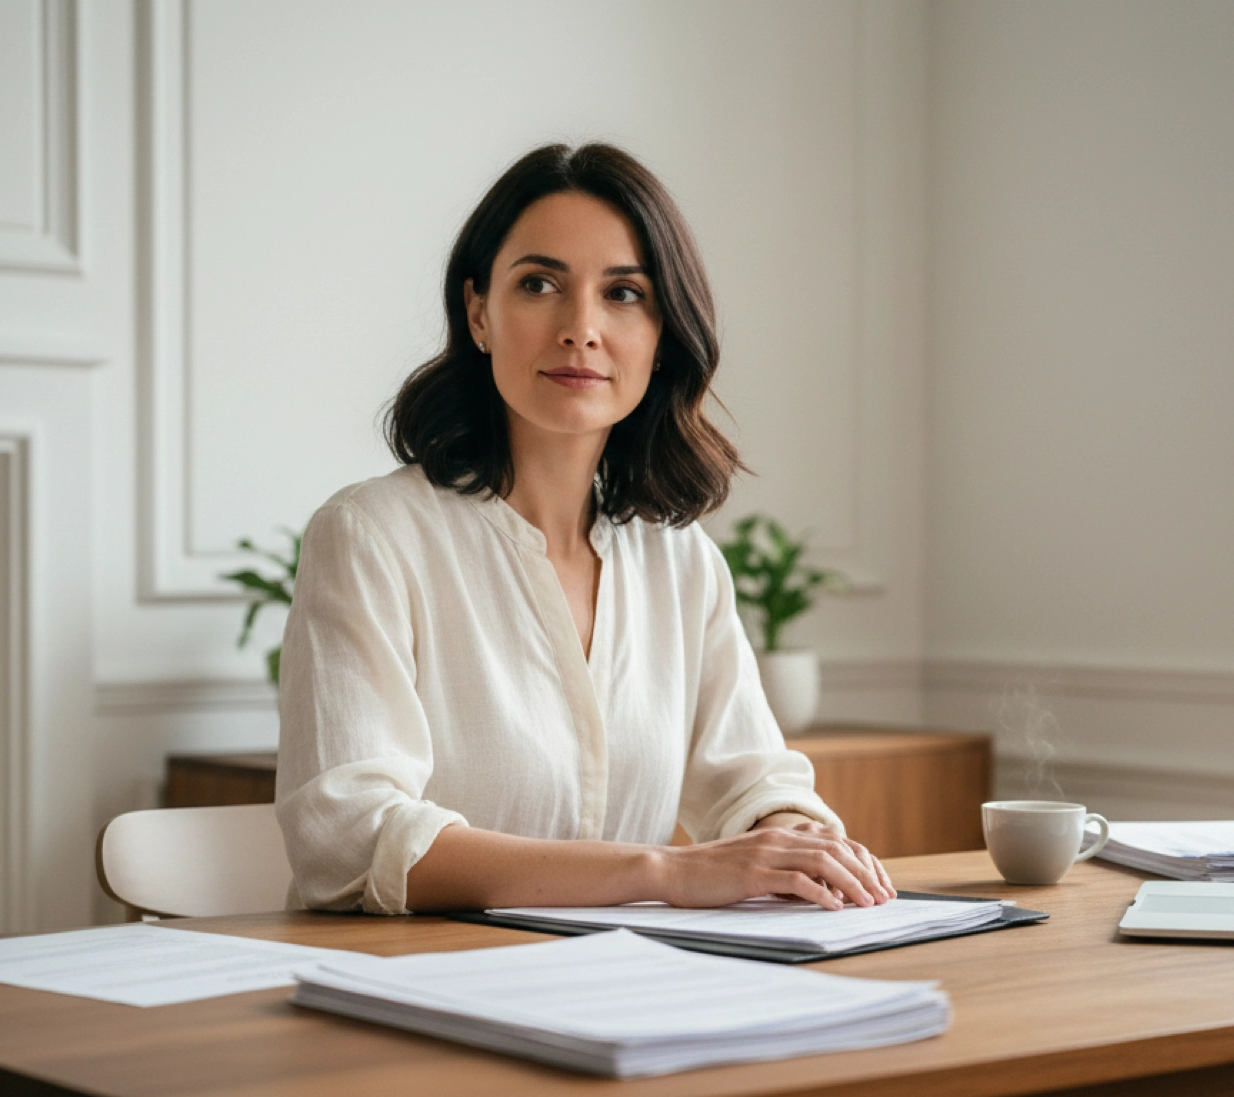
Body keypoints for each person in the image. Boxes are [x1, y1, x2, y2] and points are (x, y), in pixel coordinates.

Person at [275, 143, 894, 916]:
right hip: (415, 989)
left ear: (663, 332)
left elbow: (754, 779)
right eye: (539, 284)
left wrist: (793, 838)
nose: (581, 328)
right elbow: (351, 836)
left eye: (624, 293)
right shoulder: (370, 537)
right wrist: (665, 872)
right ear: (478, 312)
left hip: (621, 994)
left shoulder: (682, 562)